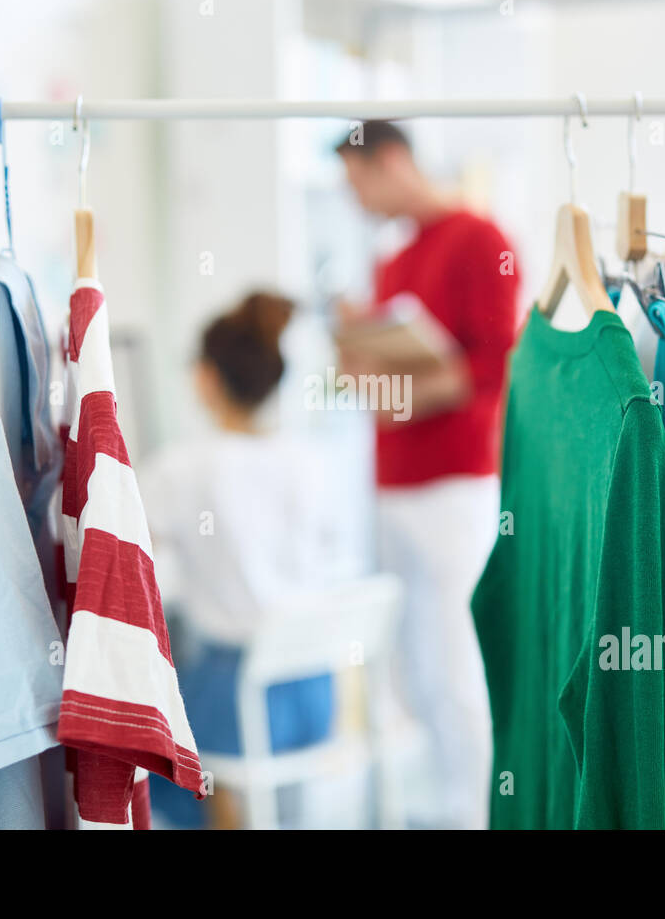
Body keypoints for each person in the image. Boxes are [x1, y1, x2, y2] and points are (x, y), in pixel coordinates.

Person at [335, 120, 520, 829]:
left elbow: (493, 367)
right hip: (391, 486)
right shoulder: (392, 260)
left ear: (391, 161)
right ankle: (446, 807)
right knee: (412, 671)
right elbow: (379, 393)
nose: (357, 202)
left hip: (453, 484)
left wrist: (408, 388)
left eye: (358, 184)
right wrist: (360, 353)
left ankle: (476, 813)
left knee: (454, 664)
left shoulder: (480, 239)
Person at [141, 291, 339, 829]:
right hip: (315, 693)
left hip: (242, 701)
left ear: (205, 377)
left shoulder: (182, 469)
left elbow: (136, 567)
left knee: (154, 720)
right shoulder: (309, 459)